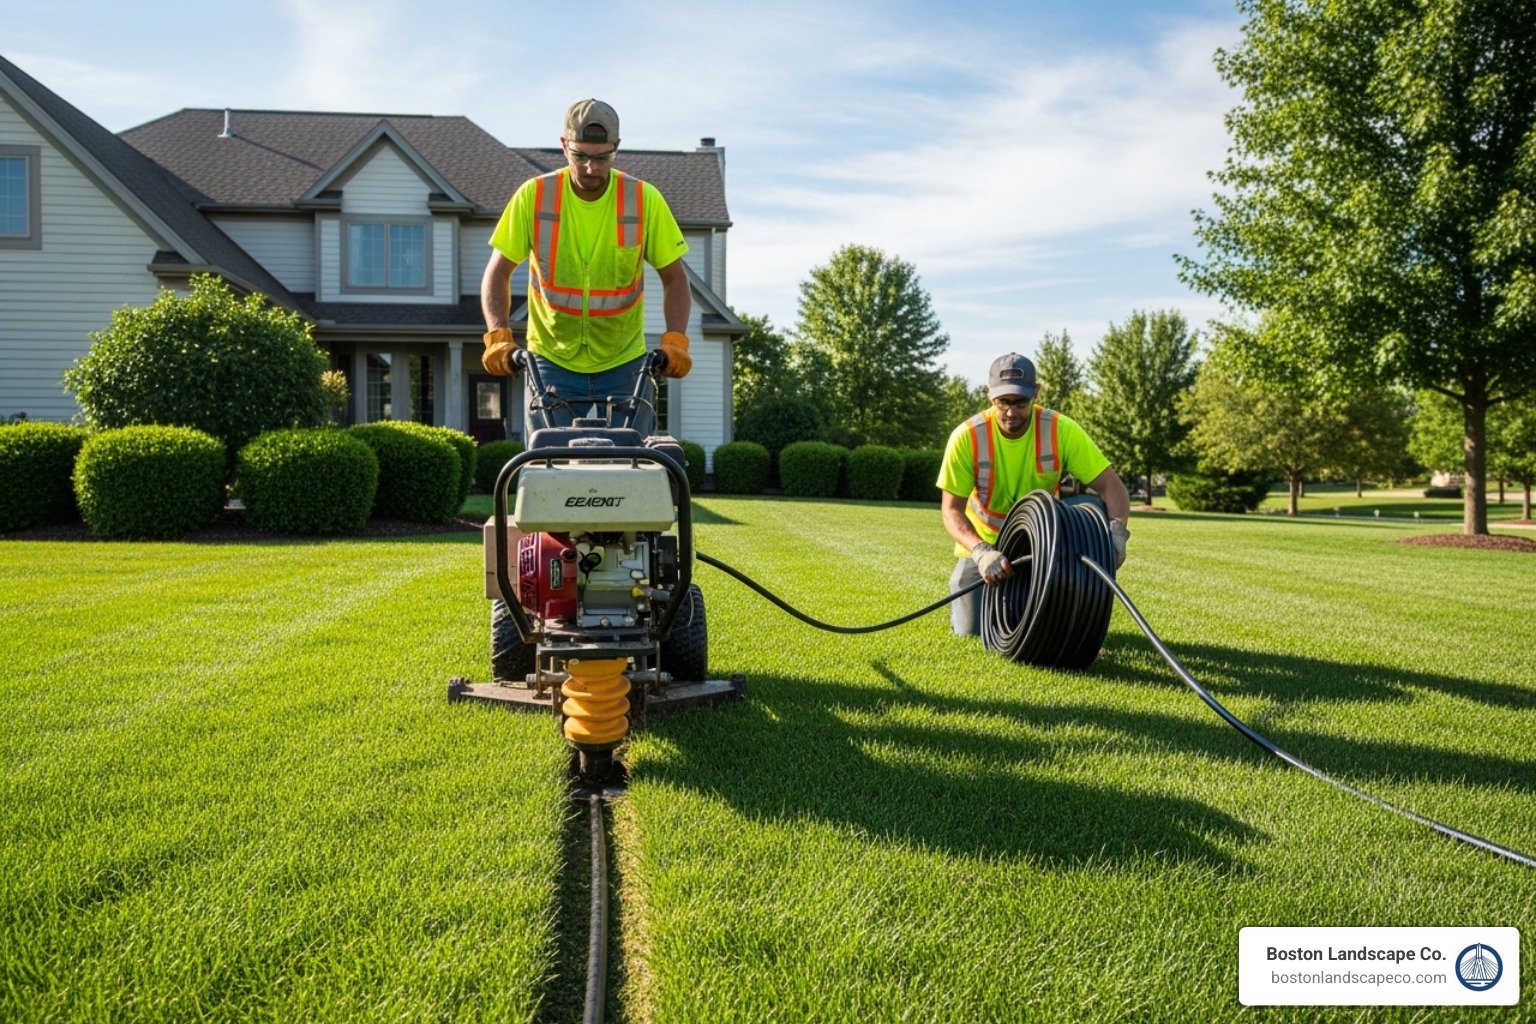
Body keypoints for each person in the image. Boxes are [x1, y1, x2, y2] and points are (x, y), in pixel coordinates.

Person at [479, 99, 693, 438]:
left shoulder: (643, 199)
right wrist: (497, 337)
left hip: (624, 362)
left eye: (602, 157)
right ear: (564, 146)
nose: (591, 168)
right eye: (581, 156)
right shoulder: (534, 196)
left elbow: (675, 278)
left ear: (617, 148)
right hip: (551, 360)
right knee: (548, 459)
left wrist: (676, 340)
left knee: (631, 459)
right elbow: (497, 272)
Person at [938, 353, 1131, 637]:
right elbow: (951, 511)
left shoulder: (1060, 430)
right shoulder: (967, 436)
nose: (1011, 412)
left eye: (1020, 402)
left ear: (1035, 393)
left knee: (1042, 628)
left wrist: (1117, 534)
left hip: (1041, 545)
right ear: (989, 394)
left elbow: (1112, 486)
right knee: (971, 632)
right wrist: (980, 552)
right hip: (985, 545)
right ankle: (968, 608)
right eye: (1003, 402)